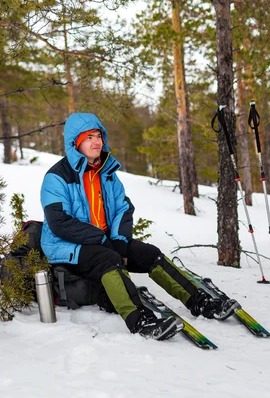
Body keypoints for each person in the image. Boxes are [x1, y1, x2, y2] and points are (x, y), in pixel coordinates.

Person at [40, 113, 223, 340]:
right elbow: (59, 223)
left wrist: (119, 240)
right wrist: (104, 241)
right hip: (67, 247)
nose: (97, 142)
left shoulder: (106, 173)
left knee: (150, 255)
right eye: (89, 138)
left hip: (105, 242)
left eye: (98, 136)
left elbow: (123, 209)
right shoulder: (56, 177)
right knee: (109, 259)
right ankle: (139, 321)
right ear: (74, 143)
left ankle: (198, 300)